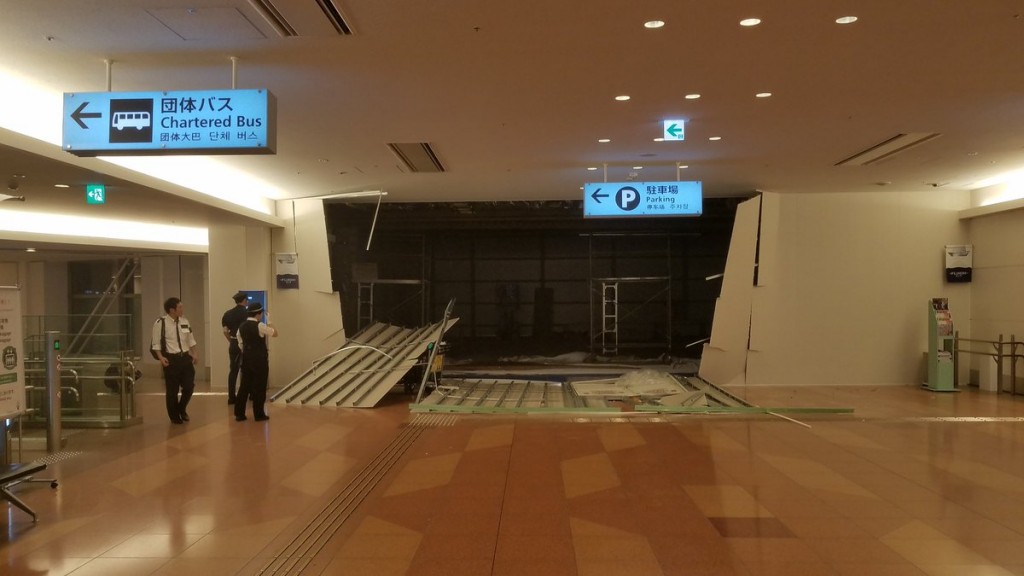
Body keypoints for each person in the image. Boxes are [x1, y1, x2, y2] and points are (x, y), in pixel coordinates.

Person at [151, 297, 198, 424]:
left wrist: (194, 353)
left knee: (189, 386)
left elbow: (190, 339)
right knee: (172, 390)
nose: (182, 309)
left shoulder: (184, 321)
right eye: (180, 307)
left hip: (185, 358)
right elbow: (155, 344)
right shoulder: (160, 323)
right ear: (172, 310)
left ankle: (181, 408)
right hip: (171, 360)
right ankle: (174, 416)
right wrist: (161, 358)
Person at [235, 301, 278, 422]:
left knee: (244, 386)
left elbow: (240, 342)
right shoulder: (260, 325)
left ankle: (239, 414)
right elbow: (275, 333)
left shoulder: (242, 326)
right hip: (259, 360)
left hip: (246, 359)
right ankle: (258, 414)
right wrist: (270, 322)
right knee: (260, 386)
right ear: (258, 314)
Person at [221, 291, 249, 405]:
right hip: (246, 345)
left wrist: (232, 341)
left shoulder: (227, 314)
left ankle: (231, 397)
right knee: (247, 370)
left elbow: (225, 331)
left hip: (233, 343)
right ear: (244, 301)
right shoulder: (247, 313)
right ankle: (247, 394)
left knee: (233, 371)